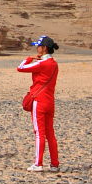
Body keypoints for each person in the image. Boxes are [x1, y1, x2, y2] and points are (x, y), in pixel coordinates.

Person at [17, 35, 60, 172]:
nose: (37, 48)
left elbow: (21, 67)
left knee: (39, 133)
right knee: (50, 134)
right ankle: (54, 164)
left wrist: (30, 58)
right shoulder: (54, 63)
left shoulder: (41, 63)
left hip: (39, 101)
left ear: (44, 48)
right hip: (50, 101)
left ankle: (38, 163)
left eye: (39, 46)